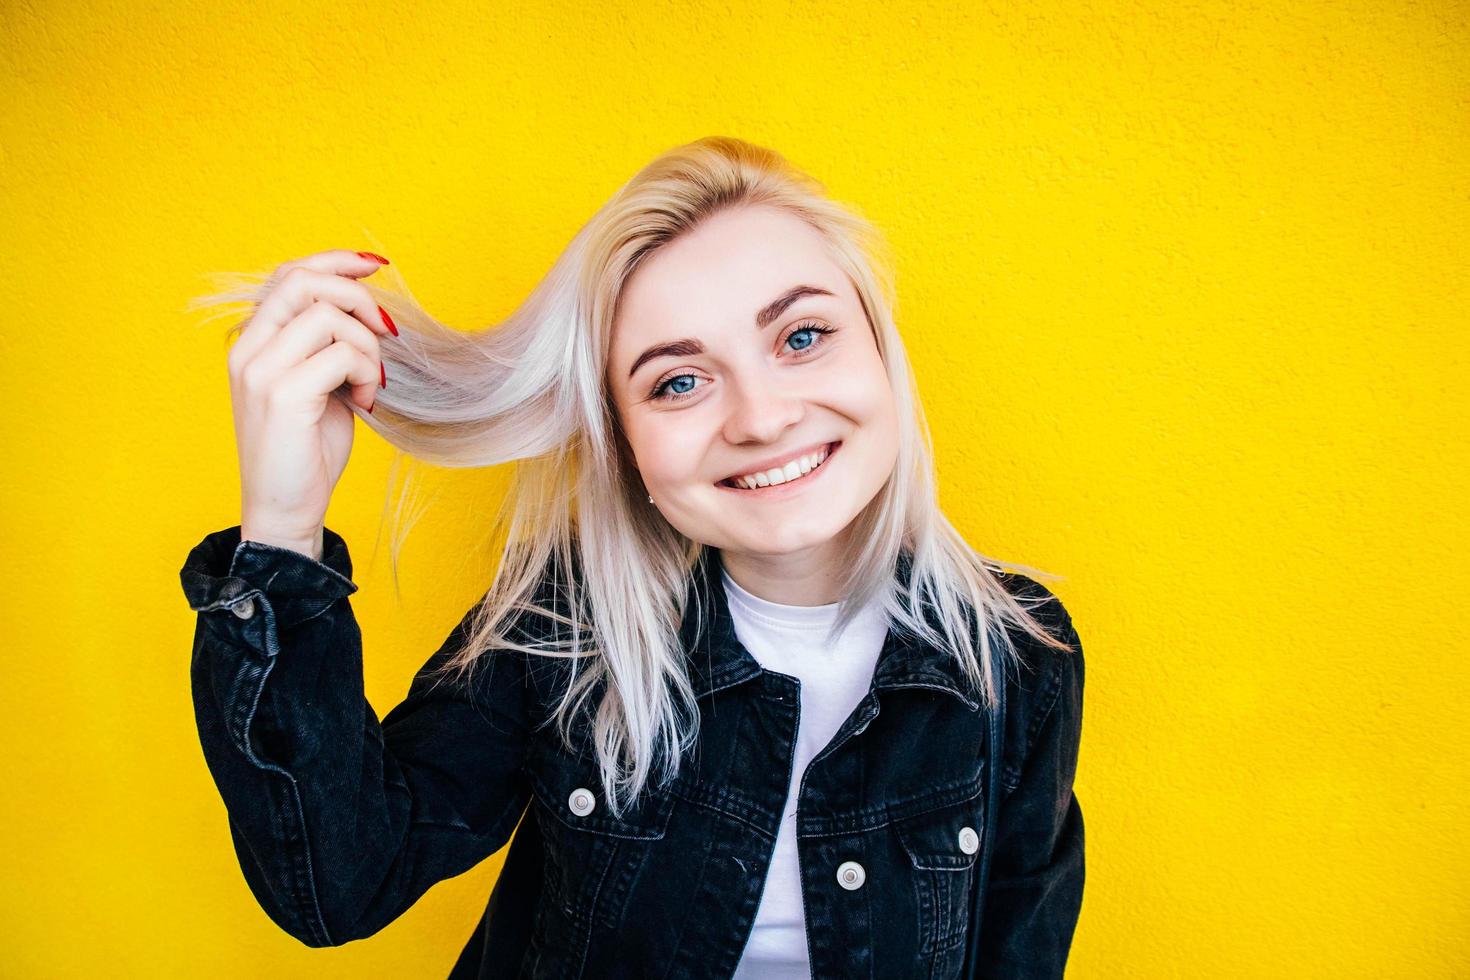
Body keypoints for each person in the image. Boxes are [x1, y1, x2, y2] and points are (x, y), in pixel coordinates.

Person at [179, 135, 1085, 979]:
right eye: (678, 381)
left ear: (883, 354)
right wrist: (282, 527)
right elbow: (340, 884)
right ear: (626, 446)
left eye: (802, 336)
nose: (762, 418)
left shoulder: (1018, 655)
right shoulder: (564, 628)